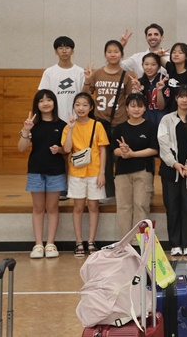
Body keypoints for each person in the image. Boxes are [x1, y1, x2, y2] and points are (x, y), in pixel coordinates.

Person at [83, 40, 138, 204]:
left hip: (119, 123)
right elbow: (85, 95)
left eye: (116, 51)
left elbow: (130, 100)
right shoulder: (97, 74)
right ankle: (107, 193)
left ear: (122, 54)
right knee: (102, 159)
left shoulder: (126, 76)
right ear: (105, 54)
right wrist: (87, 80)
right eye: (109, 51)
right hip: (100, 123)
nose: (112, 54)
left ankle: (122, 193)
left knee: (119, 159)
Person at [158, 84, 187, 257]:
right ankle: (175, 244)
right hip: (171, 171)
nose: (184, 100)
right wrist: (175, 164)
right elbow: (163, 143)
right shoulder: (167, 120)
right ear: (176, 98)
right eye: (181, 96)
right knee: (172, 207)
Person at [18, 90, 66, 259]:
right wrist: (26, 130)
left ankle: (51, 244)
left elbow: (67, 150)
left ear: (54, 103)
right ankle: (38, 244)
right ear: (36, 104)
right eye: (41, 101)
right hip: (36, 171)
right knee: (38, 208)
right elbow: (21, 148)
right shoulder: (32, 124)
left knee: (52, 208)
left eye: (49, 100)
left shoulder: (62, 125)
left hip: (56, 171)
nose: (45, 103)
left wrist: (59, 149)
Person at [62, 92, 109, 257]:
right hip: (77, 173)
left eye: (84, 105)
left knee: (94, 206)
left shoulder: (97, 125)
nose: (81, 108)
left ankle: (91, 241)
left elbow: (103, 150)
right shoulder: (68, 127)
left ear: (91, 108)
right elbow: (67, 149)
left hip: (95, 172)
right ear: (73, 107)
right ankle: (78, 241)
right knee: (78, 207)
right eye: (77, 105)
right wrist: (70, 129)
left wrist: (102, 173)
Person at [112, 93, 159, 238]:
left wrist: (133, 154)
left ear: (145, 108)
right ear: (126, 108)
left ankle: (140, 243)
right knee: (123, 207)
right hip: (122, 172)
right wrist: (123, 152)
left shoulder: (151, 127)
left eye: (140, 106)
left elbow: (154, 150)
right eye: (132, 106)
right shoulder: (120, 128)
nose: (136, 109)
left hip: (143, 171)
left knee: (141, 206)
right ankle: (125, 243)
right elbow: (115, 150)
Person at [39, 36, 86, 120]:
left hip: (76, 118)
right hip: (55, 118)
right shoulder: (49, 72)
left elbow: (85, 95)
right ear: (56, 52)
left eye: (67, 48)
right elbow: (43, 95)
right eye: (60, 48)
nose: (64, 51)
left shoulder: (80, 72)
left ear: (72, 51)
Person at [165, 42, 187, 113]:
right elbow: (159, 59)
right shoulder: (171, 69)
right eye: (174, 52)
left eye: (180, 52)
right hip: (170, 111)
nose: (176, 54)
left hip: (186, 112)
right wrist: (159, 53)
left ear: (186, 56)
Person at [137, 52, 167, 125]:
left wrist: (159, 90)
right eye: (146, 64)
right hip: (144, 121)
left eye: (153, 64)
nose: (149, 67)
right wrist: (136, 90)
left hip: (160, 121)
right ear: (142, 65)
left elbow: (161, 107)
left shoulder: (164, 81)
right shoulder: (139, 82)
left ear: (159, 66)